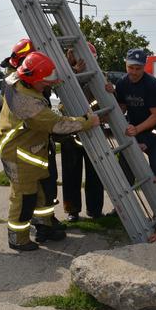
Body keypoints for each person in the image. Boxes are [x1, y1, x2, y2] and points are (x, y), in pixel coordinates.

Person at [0, 51, 100, 251]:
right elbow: (58, 125)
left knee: (43, 193)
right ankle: (18, 238)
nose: (49, 85)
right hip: (18, 152)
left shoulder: (16, 77)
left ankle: (45, 226)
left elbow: (41, 81)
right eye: (45, 82)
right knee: (24, 197)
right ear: (32, 78)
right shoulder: (28, 104)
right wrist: (88, 121)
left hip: (31, 148)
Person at [105, 48, 156, 184]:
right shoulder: (122, 83)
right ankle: (124, 203)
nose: (133, 72)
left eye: (138, 68)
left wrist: (137, 129)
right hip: (133, 132)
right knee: (125, 170)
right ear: (125, 65)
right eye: (130, 67)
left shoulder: (152, 84)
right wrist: (112, 95)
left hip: (153, 134)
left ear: (144, 66)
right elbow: (122, 108)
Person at [61, 42, 104, 222]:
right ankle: (72, 210)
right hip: (71, 133)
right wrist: (76, 74)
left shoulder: (99, 77)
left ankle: (94, 210)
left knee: (95, 174)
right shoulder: (65, 76)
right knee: (71, 174)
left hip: (93, 131)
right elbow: (64, 91)